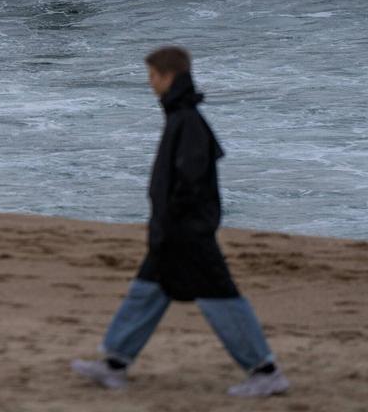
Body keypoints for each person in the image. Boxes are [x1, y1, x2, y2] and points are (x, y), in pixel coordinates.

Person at [71, 46, 290, 398]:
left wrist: (174, 225)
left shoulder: (186, 120)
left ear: (168, 76)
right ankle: (114, 364)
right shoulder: (181, 117)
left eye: (152, 75)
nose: (149, 83)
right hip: (173, 232)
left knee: (221, 298)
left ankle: (265, 370)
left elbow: (189, 183)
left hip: (187, 234)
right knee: (146, 291)